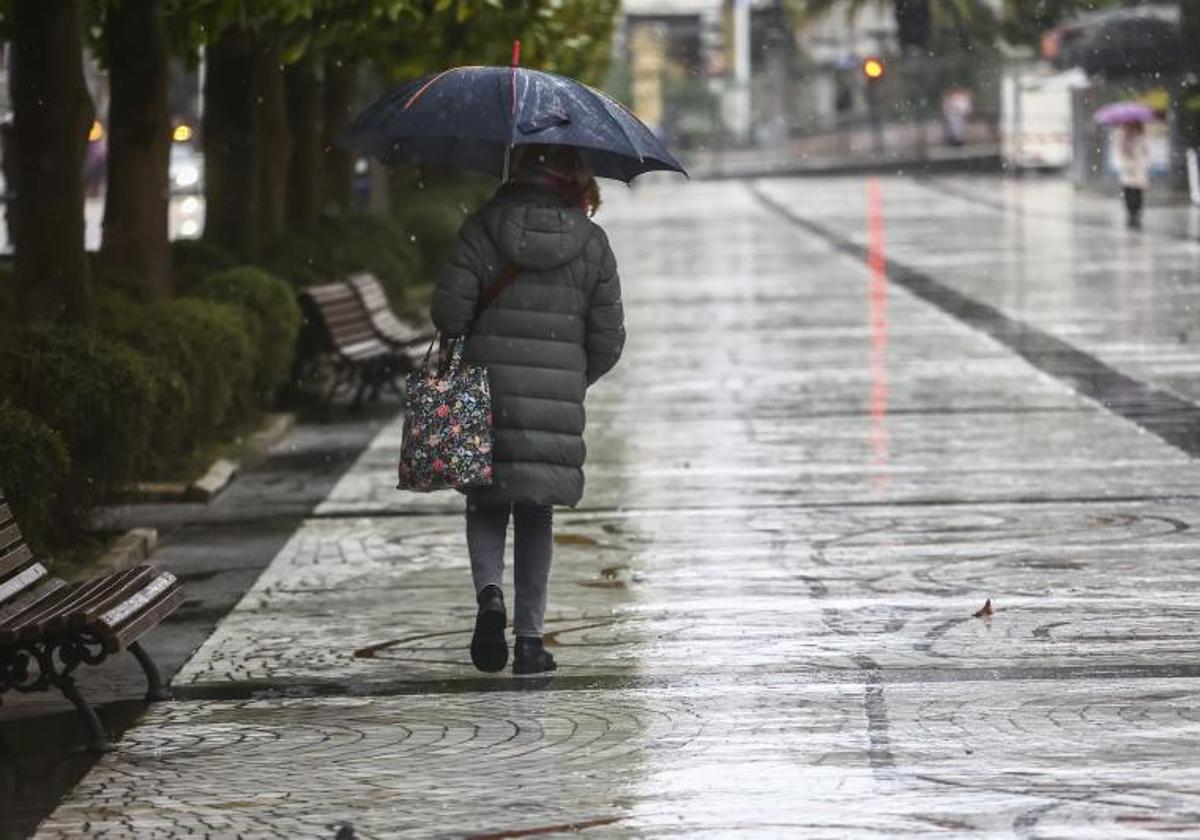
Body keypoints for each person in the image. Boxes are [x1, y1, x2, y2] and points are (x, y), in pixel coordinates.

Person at [430, 144, 625, 676]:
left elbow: (448, 314)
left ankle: (489, 595)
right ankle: (532, 643)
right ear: (575, 181)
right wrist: (565, 380)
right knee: (536, 511)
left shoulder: (481, 228)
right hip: (554, 402)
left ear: (517, 171)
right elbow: (608, 341)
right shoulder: (591, 243)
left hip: (486, 391)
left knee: (486, 503)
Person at [1115, 121, 1149, 230]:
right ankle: (1131, 212)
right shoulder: (1122, 136)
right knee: (1128, 190)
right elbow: (1119, 151)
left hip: (1138, 167)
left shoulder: (1140, 137)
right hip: (1127, 168)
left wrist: (1139, 156)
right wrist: (1125, 149)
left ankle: (1136, 212)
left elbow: (1146, 152)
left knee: (1137, 191)